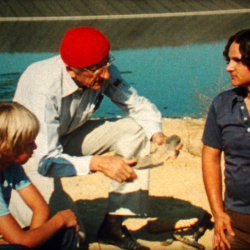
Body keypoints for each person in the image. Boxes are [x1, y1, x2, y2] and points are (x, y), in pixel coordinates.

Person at [13, 26, 182, 249]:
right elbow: (45, 160)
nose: (105, 74)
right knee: (74, 238)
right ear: (70, 71)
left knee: (137, 129)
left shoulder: (101, 69)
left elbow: (136, 104)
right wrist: (97, 163)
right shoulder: (42, 87)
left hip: (66, 137)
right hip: (28, 156)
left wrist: (157, 134)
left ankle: (113, 228)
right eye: (96, 69)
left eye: (106, 63)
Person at [0, 101, 79, 250]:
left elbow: (40, 208)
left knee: (65, 233)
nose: (35, 147)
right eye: (29, 143)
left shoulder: (10, 167)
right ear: (8, 147)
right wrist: (60, 219)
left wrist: (32, 241)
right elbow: (21, 242)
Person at [202, 29, 250, 250]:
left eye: (237, 61)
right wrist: (218, 213)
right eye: (229, 60)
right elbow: (210, 158)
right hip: (235, 223)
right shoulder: (223, 104)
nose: (229, 67)